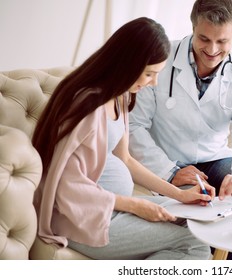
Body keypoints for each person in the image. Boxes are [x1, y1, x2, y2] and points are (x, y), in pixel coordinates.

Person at [31, 17, 214, 260]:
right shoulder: (87, 107)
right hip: (82, 218)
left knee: (196, 223)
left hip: (115, 208)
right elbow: (67, 188)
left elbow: (126, 159)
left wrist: (179, 194)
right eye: (149, 74)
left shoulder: (120, 97)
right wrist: (136, 205)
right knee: (193, 246)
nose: (154, 83)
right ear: (128, 63)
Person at [128, 0, 232, 205]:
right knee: (197, 204)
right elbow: (135, 125)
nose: (212, 50)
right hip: (167, 158)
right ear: (193, 27)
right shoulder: (161, 58)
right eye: (204, 38)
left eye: (222, 41)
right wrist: (169, 172)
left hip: (214, 159)